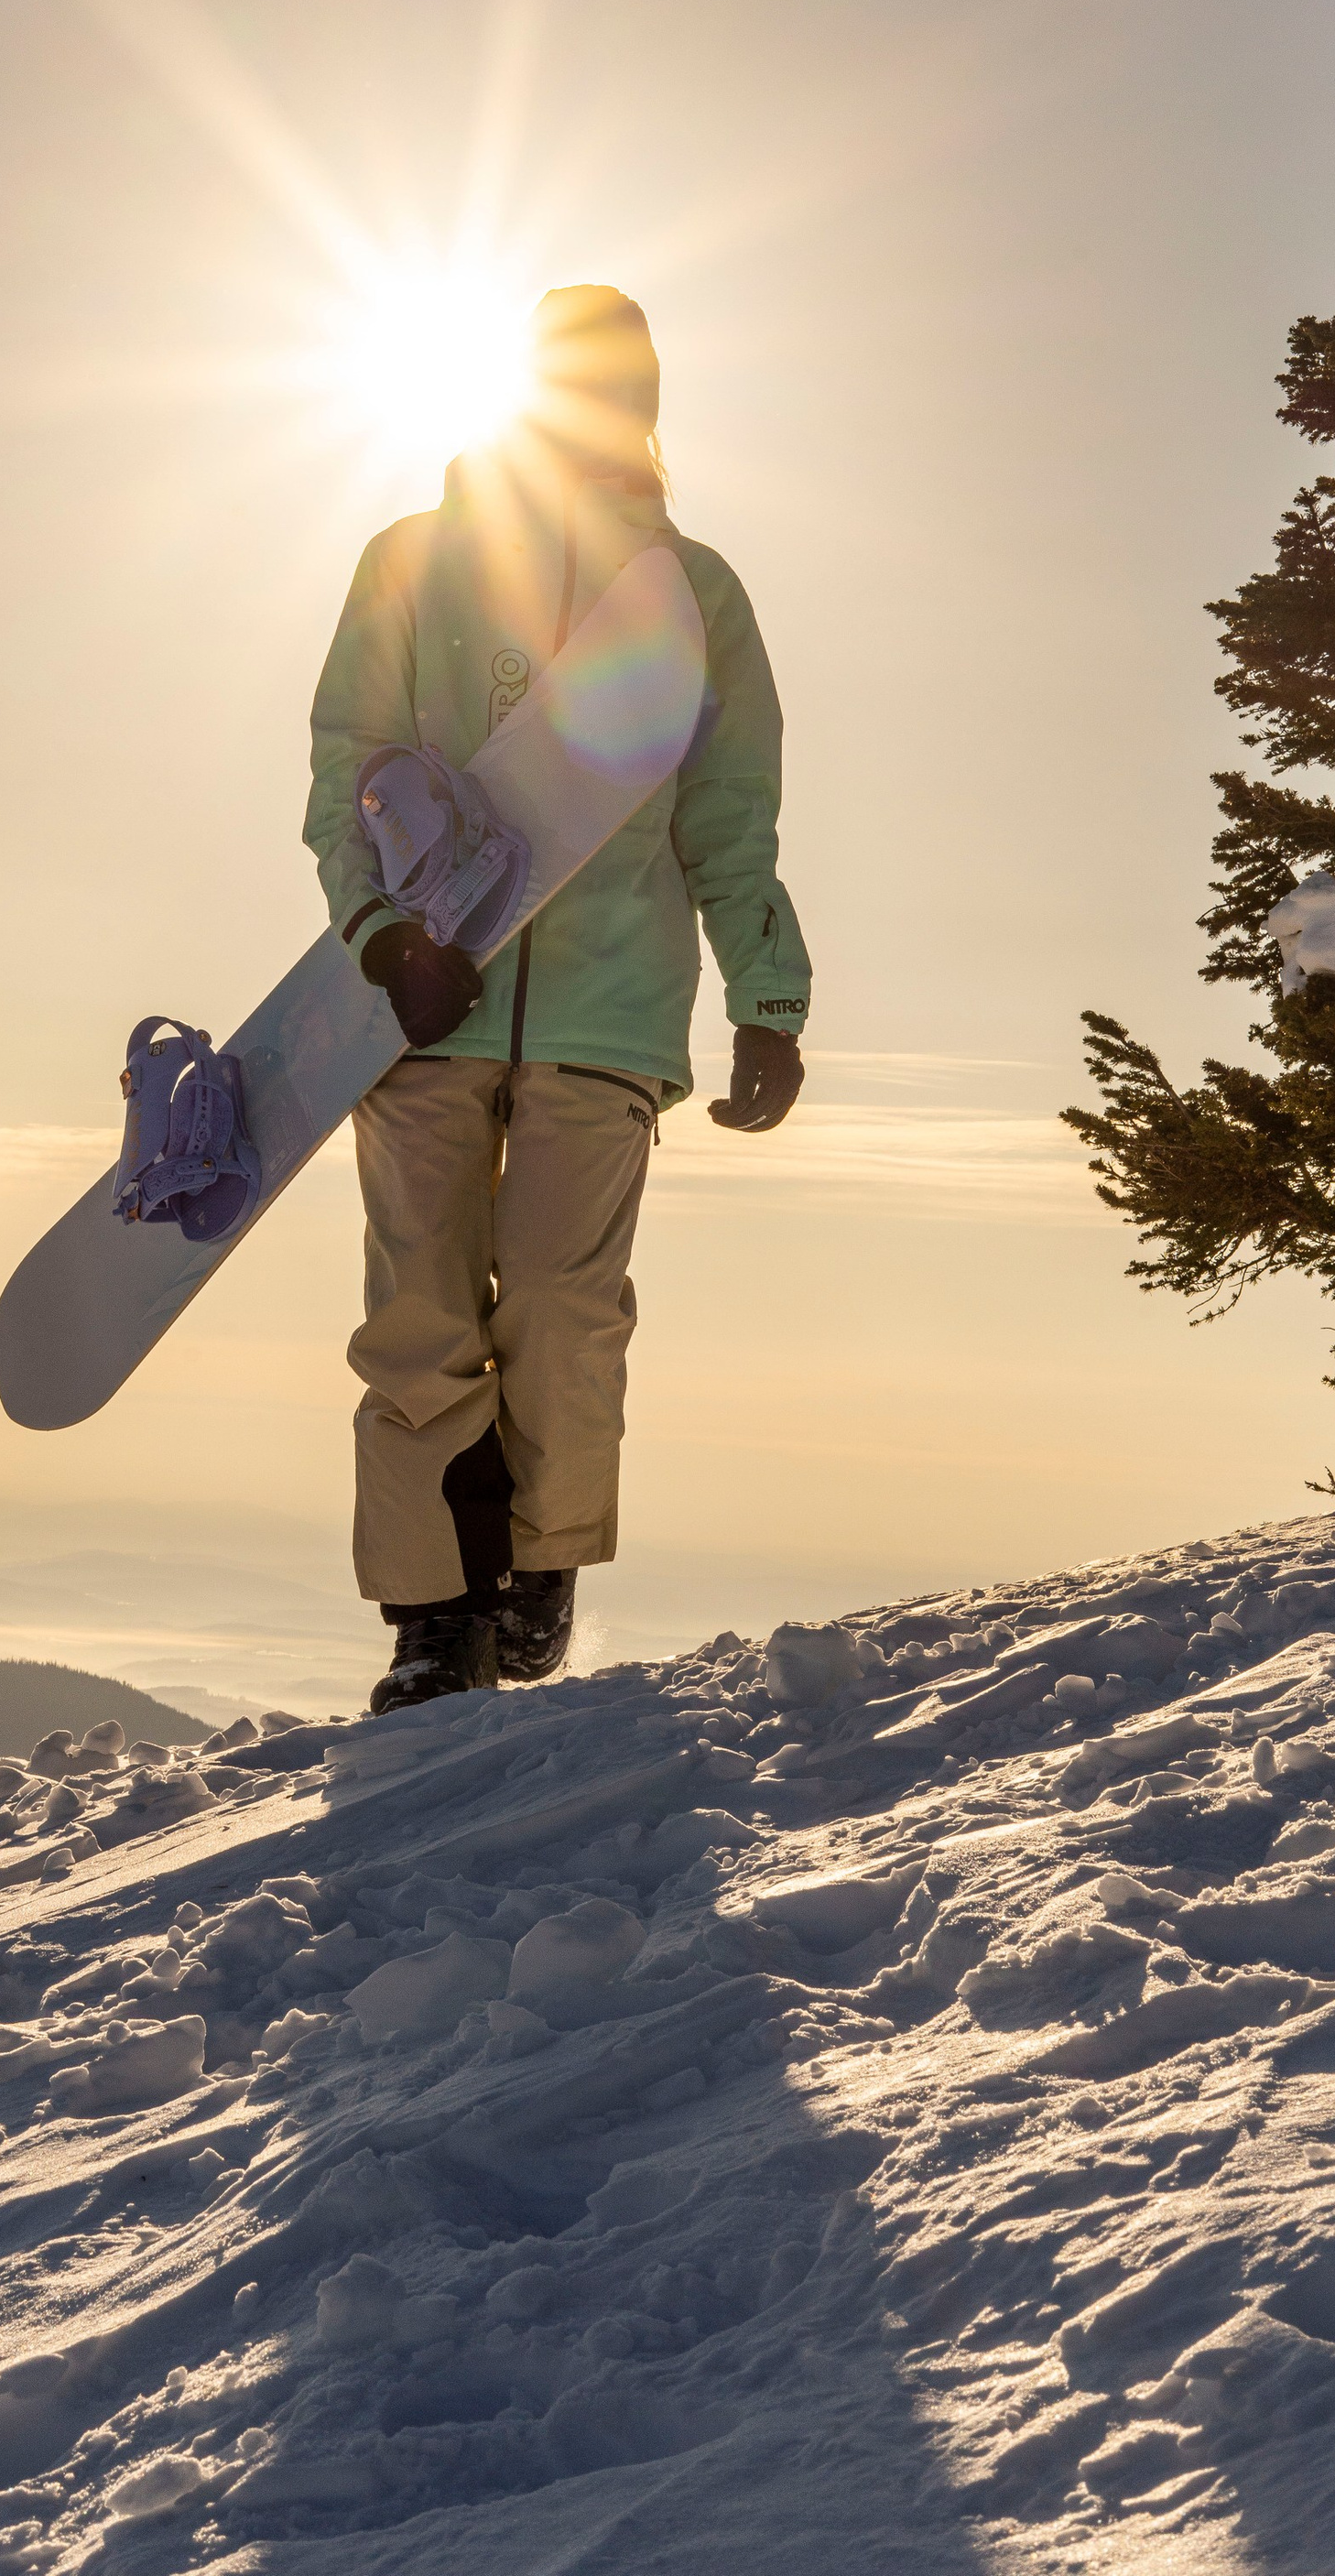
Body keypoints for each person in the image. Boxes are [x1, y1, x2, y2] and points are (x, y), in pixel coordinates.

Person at [304, 285, 810, 1712]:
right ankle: (429, 1615)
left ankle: (541, 1562)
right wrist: (381, 937)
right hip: (418, 1008)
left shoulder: (691, 591)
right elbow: (352, 761)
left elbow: (730, 809)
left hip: (607, 1011)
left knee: (565, 1312)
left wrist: (766, 995)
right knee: (416, 1317)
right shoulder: (413, 561)